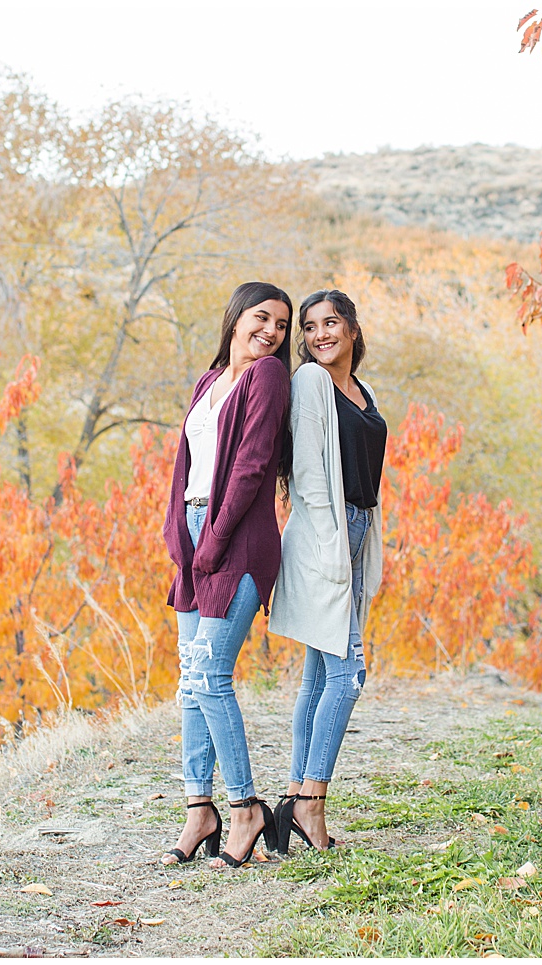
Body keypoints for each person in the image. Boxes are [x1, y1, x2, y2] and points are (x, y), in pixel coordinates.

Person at [160, 281, 293, 869]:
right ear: (235, 317)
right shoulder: (209, 381)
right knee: (190, 676)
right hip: (194, 528)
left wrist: (212, 542)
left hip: (240, 537)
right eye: (261, 318)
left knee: (210, 674)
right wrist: (179, 537)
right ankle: (199, 810)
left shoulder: (268, 379)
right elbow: (186, 466)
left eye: (282, 325)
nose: (270, 331)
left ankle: (246, 808)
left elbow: (251, 466)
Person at [268, 289, 386, 854]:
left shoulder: (362, 392)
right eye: (310, 327)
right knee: (348, 673)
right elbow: (312, 476)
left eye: (331, 323)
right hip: (325, 537)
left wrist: (358, 542)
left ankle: (294, 796)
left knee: (319, 675)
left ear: (353, 329)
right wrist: (333, 546)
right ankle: (311, 804)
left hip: (355, 530)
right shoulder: (311, 383)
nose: (319, 335)